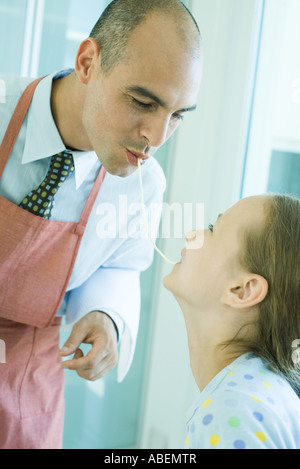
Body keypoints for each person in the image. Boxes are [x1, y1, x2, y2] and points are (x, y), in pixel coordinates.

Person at [0, 0, 203, 449]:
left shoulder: (144, 184)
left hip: (25, 382)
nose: (157, 136)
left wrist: (107, 318)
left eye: (178, 115)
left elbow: (119, 266)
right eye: (143, 101)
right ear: (88, 62)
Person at [163, 194, 300, 449]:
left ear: (242, 291)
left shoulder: (230, 410)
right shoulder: (258, 393)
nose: (192, 233)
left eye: (213, 230)